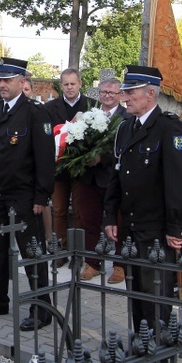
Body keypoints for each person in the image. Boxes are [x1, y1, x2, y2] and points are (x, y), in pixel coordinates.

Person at [103, 65, 182, 333]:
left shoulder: (168, 128)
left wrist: (177, 227)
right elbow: (116, 176)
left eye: (131, 92)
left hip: (157, 226)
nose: (125, 97)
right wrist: (110, 215)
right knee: (135, 287)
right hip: (131, 222)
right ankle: (142, 338)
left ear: (151, 93)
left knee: (155, 289)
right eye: (125, 92)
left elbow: (180, 182)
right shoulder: (126, 128)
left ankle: (158, 345)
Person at [0, 58, 55, 332]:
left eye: (7, 80)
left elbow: (45, 159)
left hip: (23, 195)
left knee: (32, 251)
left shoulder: (35, 113)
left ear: (22, 82)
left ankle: (41, 308)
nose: (1, 85)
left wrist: (41, 197)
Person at [74, 78, 128, 283]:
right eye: (104, 92)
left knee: (119, 223)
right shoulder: (89, 115)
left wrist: (101, 158)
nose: (107, 96)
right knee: (89, 220)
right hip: (89, 178)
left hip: (113, 179)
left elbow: (123, 149)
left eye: (111, 93)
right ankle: (92, 263)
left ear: (120, 95)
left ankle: (120, 265)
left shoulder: (126, 117)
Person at [44, 68, 97, 263]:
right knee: (58, 210)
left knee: (80, 210)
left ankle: (77, 250)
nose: (69, 88)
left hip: (82, 167)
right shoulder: (50, 108)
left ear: (80, 84)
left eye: (73, 84)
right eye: (65, 84)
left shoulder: (92, 106)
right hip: (59, 168)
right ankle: (61, 249)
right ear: (61, 86)